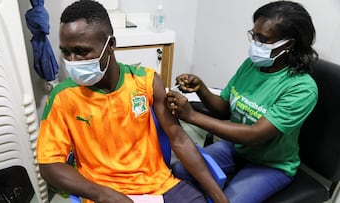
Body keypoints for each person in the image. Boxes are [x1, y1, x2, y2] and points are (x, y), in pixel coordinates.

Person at [35, 0, 228, 203]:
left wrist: (219, 197)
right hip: (104, 191)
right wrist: (102, 194)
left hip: (159, 185)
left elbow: (178, 139)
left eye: (82, 52)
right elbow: (49, 164)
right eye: (66, 52)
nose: (72, 61)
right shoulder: (62, 97)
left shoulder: (146, 81)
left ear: (110, 45)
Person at [166, 1, 318, 203]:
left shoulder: (301, 88)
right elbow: (224, 110)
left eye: (263, 39)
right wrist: (201, 88)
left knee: (230, 200)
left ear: (288, 44)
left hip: (271, 164)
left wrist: (191, 116)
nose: (255, 43)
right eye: (253, 35)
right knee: (181, 169)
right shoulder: (252, 66)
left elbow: (254, 135)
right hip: (237, 149)